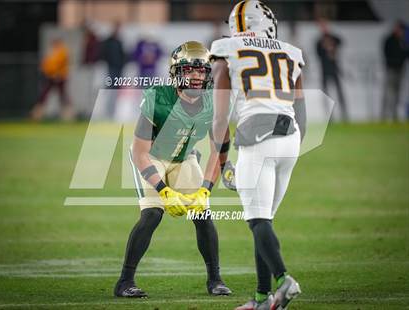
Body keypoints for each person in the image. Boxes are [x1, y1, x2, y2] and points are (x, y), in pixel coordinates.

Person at [114, 41, 232, 298]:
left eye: (202, 71)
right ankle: (124, 282)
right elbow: (139, 153)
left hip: (184, 156)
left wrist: (205, 190)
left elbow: (218, 152)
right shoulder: (157, 96)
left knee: (202, 213)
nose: (197, 77)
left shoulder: (214, 100)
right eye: (190, 70)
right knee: (152, 214)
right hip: (151, 156)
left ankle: (215, 280)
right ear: (176, 72)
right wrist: (164, 190)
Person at [210, 1, 306, 309]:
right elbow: (301, 109)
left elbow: (220, 120)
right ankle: (263, 298)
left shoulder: (227, 51)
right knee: (263, 220)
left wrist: (223, 163)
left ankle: (283, 280)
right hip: (290, 136)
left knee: (257, 220)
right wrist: (294, 144)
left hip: (256, 138)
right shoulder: (291, 52)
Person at [31, 37, 73, 121]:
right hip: (50, 77)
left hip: (59, 77)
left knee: (62, 96)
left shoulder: (62, 52)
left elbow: (60, 64)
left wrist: (56, 74)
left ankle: (68, 115)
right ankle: (37, 115)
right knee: (44, 95)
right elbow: (46, 64)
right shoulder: (53, 52)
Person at [316, 19, 348, 121]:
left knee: (339, 93)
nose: (324, 28)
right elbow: (318, 53)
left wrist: (332, 45)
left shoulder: (332, 38)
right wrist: (325, 48)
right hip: (325, 70)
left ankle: (344, 114)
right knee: (326, 95)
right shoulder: (319, 41)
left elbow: (340, 41)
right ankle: (329, 116)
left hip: (334, 69)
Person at [382, 21, 408, 121]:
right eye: (400, 29)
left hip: (400, 69)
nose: (401, 32)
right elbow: (387, 54)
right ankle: (384, 117)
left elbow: (405, 54)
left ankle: (394, 116)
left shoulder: (403, 41)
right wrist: (397, 60)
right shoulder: (389, 40)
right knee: (388, 93)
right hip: (391, 69)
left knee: (397, 93)